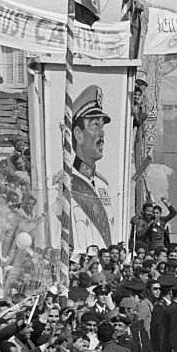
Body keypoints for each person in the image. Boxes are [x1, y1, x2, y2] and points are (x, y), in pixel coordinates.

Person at [70, 85, 114, 248]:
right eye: (95, 125)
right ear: (78, 134)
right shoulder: (66, 184)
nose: (102, 133)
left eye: (102, 126)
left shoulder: (103, 185)